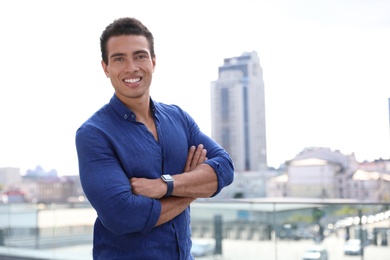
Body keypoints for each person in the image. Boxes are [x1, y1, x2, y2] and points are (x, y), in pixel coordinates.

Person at [75, 17, 234, 260]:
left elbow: (224, 168)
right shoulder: (94, 134)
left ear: (153, 62)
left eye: (139, 56)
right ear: (105, 68)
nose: (131, 67)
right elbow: (124, 216)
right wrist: (192, 188)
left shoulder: (179, 118)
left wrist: (165, 185)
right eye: (119, 58)